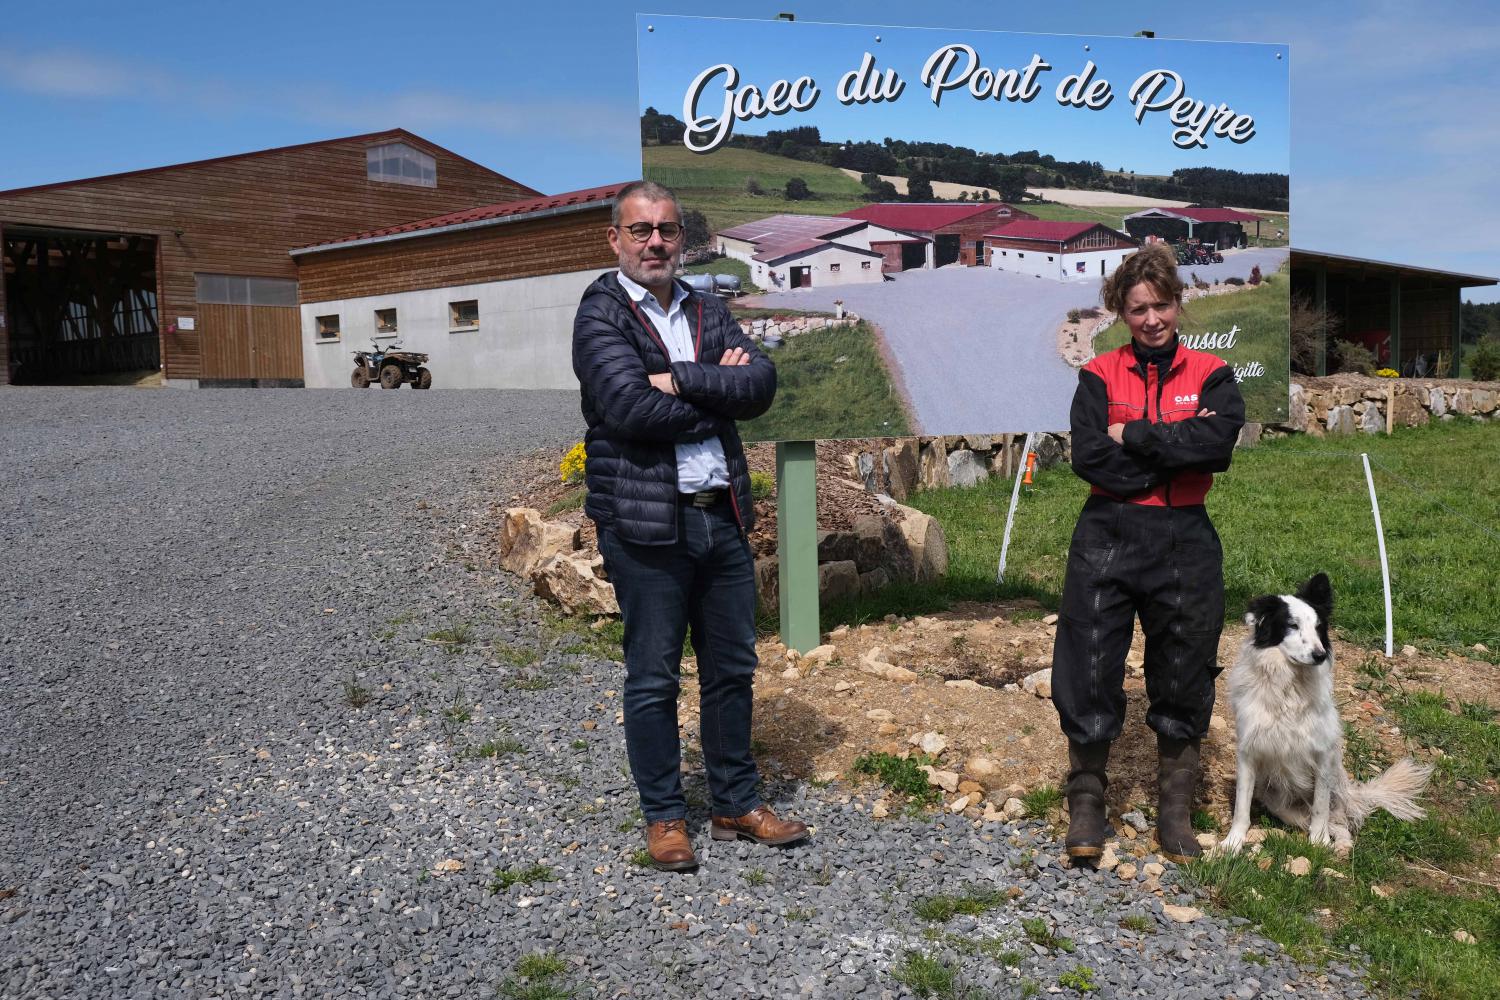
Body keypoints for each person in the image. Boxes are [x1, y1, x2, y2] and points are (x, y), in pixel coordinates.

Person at [572, 180, 808, 872]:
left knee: (733, 670)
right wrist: (714, 388)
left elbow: (761, 387)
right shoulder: (601, 313)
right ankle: (665, 817)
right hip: (649, 527)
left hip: (721, 518)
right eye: (640, 231)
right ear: (615, 239)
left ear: (684, 238)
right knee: (653, 678)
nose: (655, 243)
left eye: (667, 230)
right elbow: (626, 408)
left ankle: (736, 800)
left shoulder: (708, 308)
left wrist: (677, 380)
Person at [1050, 244, 1246, 865]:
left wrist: (1134, 435)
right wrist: (1161, 466)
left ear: (1178, 305)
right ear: (1121, 312)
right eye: (1138, 309)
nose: (1152, 319)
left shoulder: (1212, 373)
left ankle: (1175, 812)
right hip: (1107, 532)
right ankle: (1086, 804)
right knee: (1089, 662)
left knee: (1185, 666)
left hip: (1185, 538)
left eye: (1161, 305)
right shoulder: (1098, 374)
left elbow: (1214, 446)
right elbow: (1088, 455)